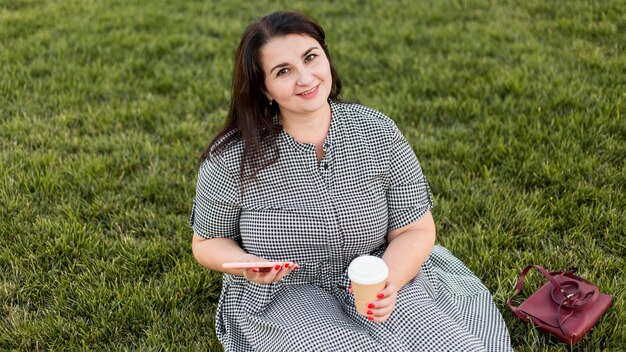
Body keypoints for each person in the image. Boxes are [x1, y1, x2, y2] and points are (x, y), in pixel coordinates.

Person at [190, 10, 512, 351]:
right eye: (283, 71)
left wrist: (390, 282)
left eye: (310, 57)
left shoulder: (377, 131)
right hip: (288, 294)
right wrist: (248, 266)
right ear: (264, 88)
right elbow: (208, 242)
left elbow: (414, 228)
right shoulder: (231, 158)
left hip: (379, 272)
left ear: (325, 57)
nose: (305, 77)